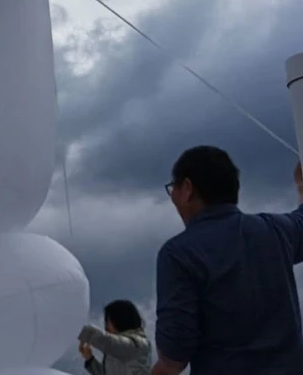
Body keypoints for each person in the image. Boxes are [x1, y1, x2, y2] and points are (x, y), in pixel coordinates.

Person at [153, 145, 303, 375]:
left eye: (173, 187)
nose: (173, 196)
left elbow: (175, 352)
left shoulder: (178, 254)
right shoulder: (275, 231)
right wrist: (301, 186)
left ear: (188, 189)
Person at [77, 299, 152, 374]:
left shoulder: (137, 344)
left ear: (119, 320)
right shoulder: (118, 350)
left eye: (108, 321)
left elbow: (111, 343)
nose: (106, 326)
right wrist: (90, 359)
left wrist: (81, 330)